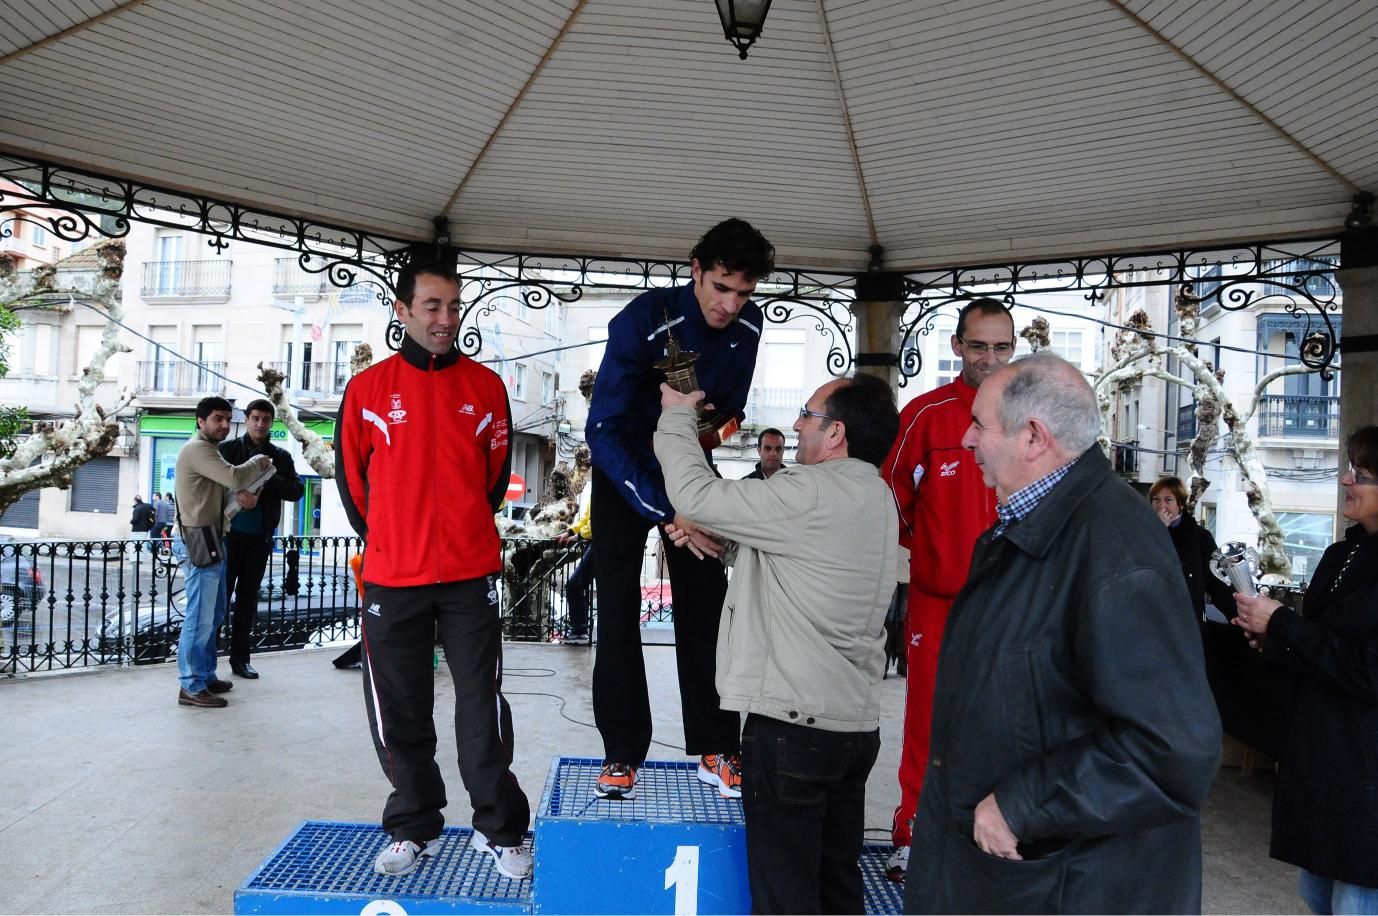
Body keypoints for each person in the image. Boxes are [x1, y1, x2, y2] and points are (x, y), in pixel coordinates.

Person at [905, 353, 1222, 914]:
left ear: (1033, 437)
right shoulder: (1029, 527)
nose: (967, 439)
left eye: (979, 424)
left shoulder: (1117, 551)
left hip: (1069, 886)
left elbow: (1172, 751)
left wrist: (1021, 806)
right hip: (1016, 877)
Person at [654, 373, 899, 914]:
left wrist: (676, 415)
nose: (796, 424)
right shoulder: (876, 495)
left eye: (807, 415)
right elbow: (806, 566)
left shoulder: (807, 490)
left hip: (793, 732)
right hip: (851, 729)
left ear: (835, 433)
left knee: (785, 898)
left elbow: (694, 494)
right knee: (836, 889)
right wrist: (724, 544)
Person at [336, 262, 531, 880]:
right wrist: (395, 539)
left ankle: (499, 829)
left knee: (480, 706)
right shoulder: (366, 390)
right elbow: (353, 485)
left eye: (453, 306)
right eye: (431, 306)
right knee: (400, 709)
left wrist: (458, 530)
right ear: (402, 311)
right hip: (393, 577)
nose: (445, 319)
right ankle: (413, 824)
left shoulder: (486, 387)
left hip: (470, 575)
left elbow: (493, 480)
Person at [584, 218, 774, 801]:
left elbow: (730, 412)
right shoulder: (642, 318)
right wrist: (670, 510)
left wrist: (701, 440)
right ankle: (622, 751)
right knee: (617, 606)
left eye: (743, 292)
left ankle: (717, 747)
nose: (730, 304)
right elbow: (602, 429)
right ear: (696, 270)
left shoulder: (749, 325)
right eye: (721, 287)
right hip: (623, 465)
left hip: (688, 460)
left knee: (708, 604)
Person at [877, 297, 1012, 879]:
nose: (989, 358)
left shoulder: (1031, 416)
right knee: (927, 722)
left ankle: (996, 838)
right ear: (957, 346)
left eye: (1001, 347)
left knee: (1009, 720)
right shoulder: (925, 416)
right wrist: (932, 553)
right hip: (938, 603)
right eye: (978, 346)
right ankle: (914, 833)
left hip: (1012, 605)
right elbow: (890, 500)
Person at [1233, 426, 1378, 915]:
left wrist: (1283, 625)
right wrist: (1270, 638)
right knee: (1317, 897)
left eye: (1361, 473)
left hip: (1365, 776)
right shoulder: (1341, 553)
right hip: (1320, 764)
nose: (1345, 480)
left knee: (1354, 903)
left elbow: (1369, 672)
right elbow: (1319, 649)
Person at [172, 397, 273, 709]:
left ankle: (204, 675)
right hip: (198, 540)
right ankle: (190, 685)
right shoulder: (197, 449)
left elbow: (223, 491)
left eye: (228, 419)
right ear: (201, 421)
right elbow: (234, 477)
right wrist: (258, 461)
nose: (225, 425)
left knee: (214, 614)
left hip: (213, 538)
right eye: (218, 418)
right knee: (199, 618)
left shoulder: (209, 450)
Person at [218, 398, 305, 679]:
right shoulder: (227, 450)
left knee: (247, 601)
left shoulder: (280, 456)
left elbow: (297, 490)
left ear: (271, 423)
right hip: (227, 536)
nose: (260, 424)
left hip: (260, 539)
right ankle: (208, 665)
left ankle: (240, 660)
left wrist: (267, 478)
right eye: (255, 418)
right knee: (219, 600)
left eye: (266, 419)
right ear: (246, 420)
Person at [1150, 475, 1237, 624]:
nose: (1161, 506)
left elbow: (1216, 582)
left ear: (1180, 504)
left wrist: (1238, 616)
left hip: (1188, 621)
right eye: (1156, 500)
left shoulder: (1199, 537)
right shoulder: (1143, 534)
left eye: (1168, 500)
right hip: (1152, 619)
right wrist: (1159, 531)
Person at [555, 482, 594, 644]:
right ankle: (580, 630)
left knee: (574, 584)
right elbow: (586, 519)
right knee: (577, 585)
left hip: (599, 544)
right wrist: (570, 531)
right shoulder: (597, 488)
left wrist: (578, 536)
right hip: (593, 543)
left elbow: (595, 523)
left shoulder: (604, 486)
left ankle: (580, 630)